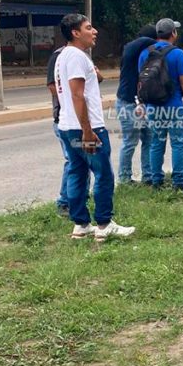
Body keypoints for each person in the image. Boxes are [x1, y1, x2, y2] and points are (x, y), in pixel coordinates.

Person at [53, 13, 135, 241]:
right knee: (103, 175)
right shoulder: (77, 57)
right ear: (75, 33)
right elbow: (78, 95)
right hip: (85, 128)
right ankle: (104, 223)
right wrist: (88, 131)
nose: (95, 31)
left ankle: (81, 224)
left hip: (68, 127)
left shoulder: (62, 56)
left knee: (77, 173)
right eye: (89, 27)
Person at [138, 18, 183, 191]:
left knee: (156, 143)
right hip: (174, 105)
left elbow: (140, 80)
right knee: (178, 143)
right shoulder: (177, 54)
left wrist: (142, 103)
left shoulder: (144, 53)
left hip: (153, 106)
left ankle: (157, 181)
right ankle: (179, 182)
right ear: (173, 34)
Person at [115, 24, 156, 184]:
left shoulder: (143, 55)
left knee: (149, 139)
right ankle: (125, 179)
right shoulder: (131, 50)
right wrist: (155, 39)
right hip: (128, 103)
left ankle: (148, 175)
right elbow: (139, 42)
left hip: (142, 104)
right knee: (130, 142)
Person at [46, 43, 70, 217]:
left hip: (81, 120)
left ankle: (78, 197)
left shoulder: (83, 55)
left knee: (83, 162)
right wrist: (69, 104)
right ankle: (64, 202)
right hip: (65, 119)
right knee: (73, 161)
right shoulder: (58, 56)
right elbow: (52, 85)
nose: (94, 32)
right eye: (89, 28)